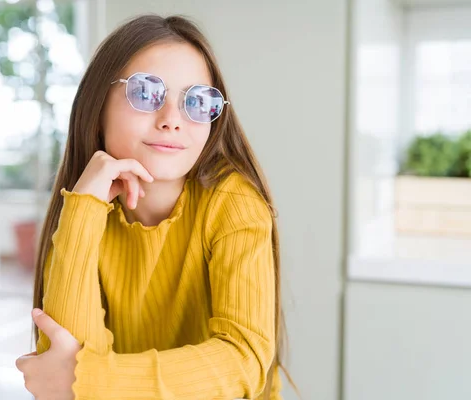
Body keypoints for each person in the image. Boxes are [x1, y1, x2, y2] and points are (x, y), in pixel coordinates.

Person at [16, 14, 290, 400]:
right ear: (98, 105)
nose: (172, 121)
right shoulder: (86, 205)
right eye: (146, 93)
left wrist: (93, 382)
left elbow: (243, 359)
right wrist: (80, 211)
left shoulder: (233, 203)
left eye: (197, 101)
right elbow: (65, 356)